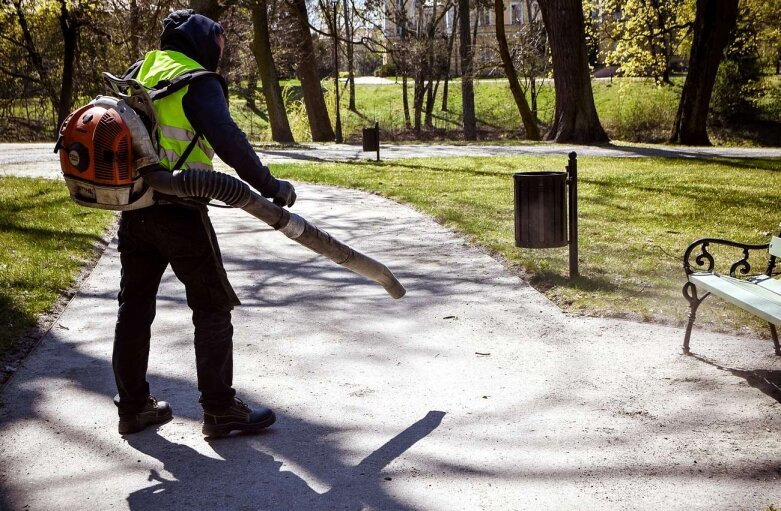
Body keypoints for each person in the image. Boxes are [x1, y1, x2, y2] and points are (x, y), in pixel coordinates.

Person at [112, 10, 295, 437]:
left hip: (135, 206)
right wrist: (271, 185)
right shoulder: (198, 80)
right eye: (219, 44)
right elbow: (229, 139)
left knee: (134, 308)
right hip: (181, 210)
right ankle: (219, 409)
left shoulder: (141, 70)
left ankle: (134, 408)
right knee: (212, 305)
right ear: (204, 43)